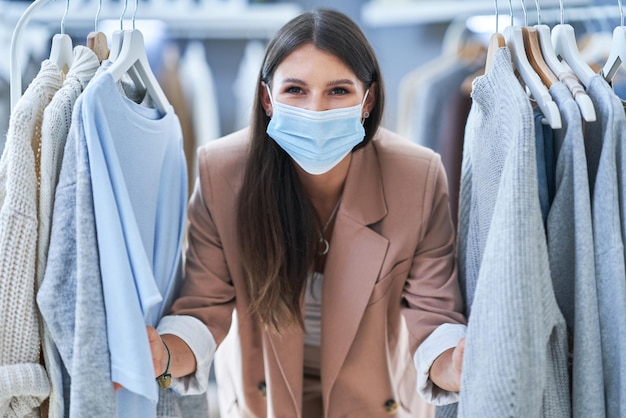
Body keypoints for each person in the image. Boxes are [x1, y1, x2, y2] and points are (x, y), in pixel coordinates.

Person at [147, 8, 467, 418]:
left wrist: (455, 366)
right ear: (267, 98)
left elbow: (433, 317)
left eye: (338, 91)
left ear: (367, 100)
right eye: (296, 90)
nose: (316, 110)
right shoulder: (221, 172)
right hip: (262, 402)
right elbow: (201, 309)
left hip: (378, 401)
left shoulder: (416, 177)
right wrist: (164, 356)